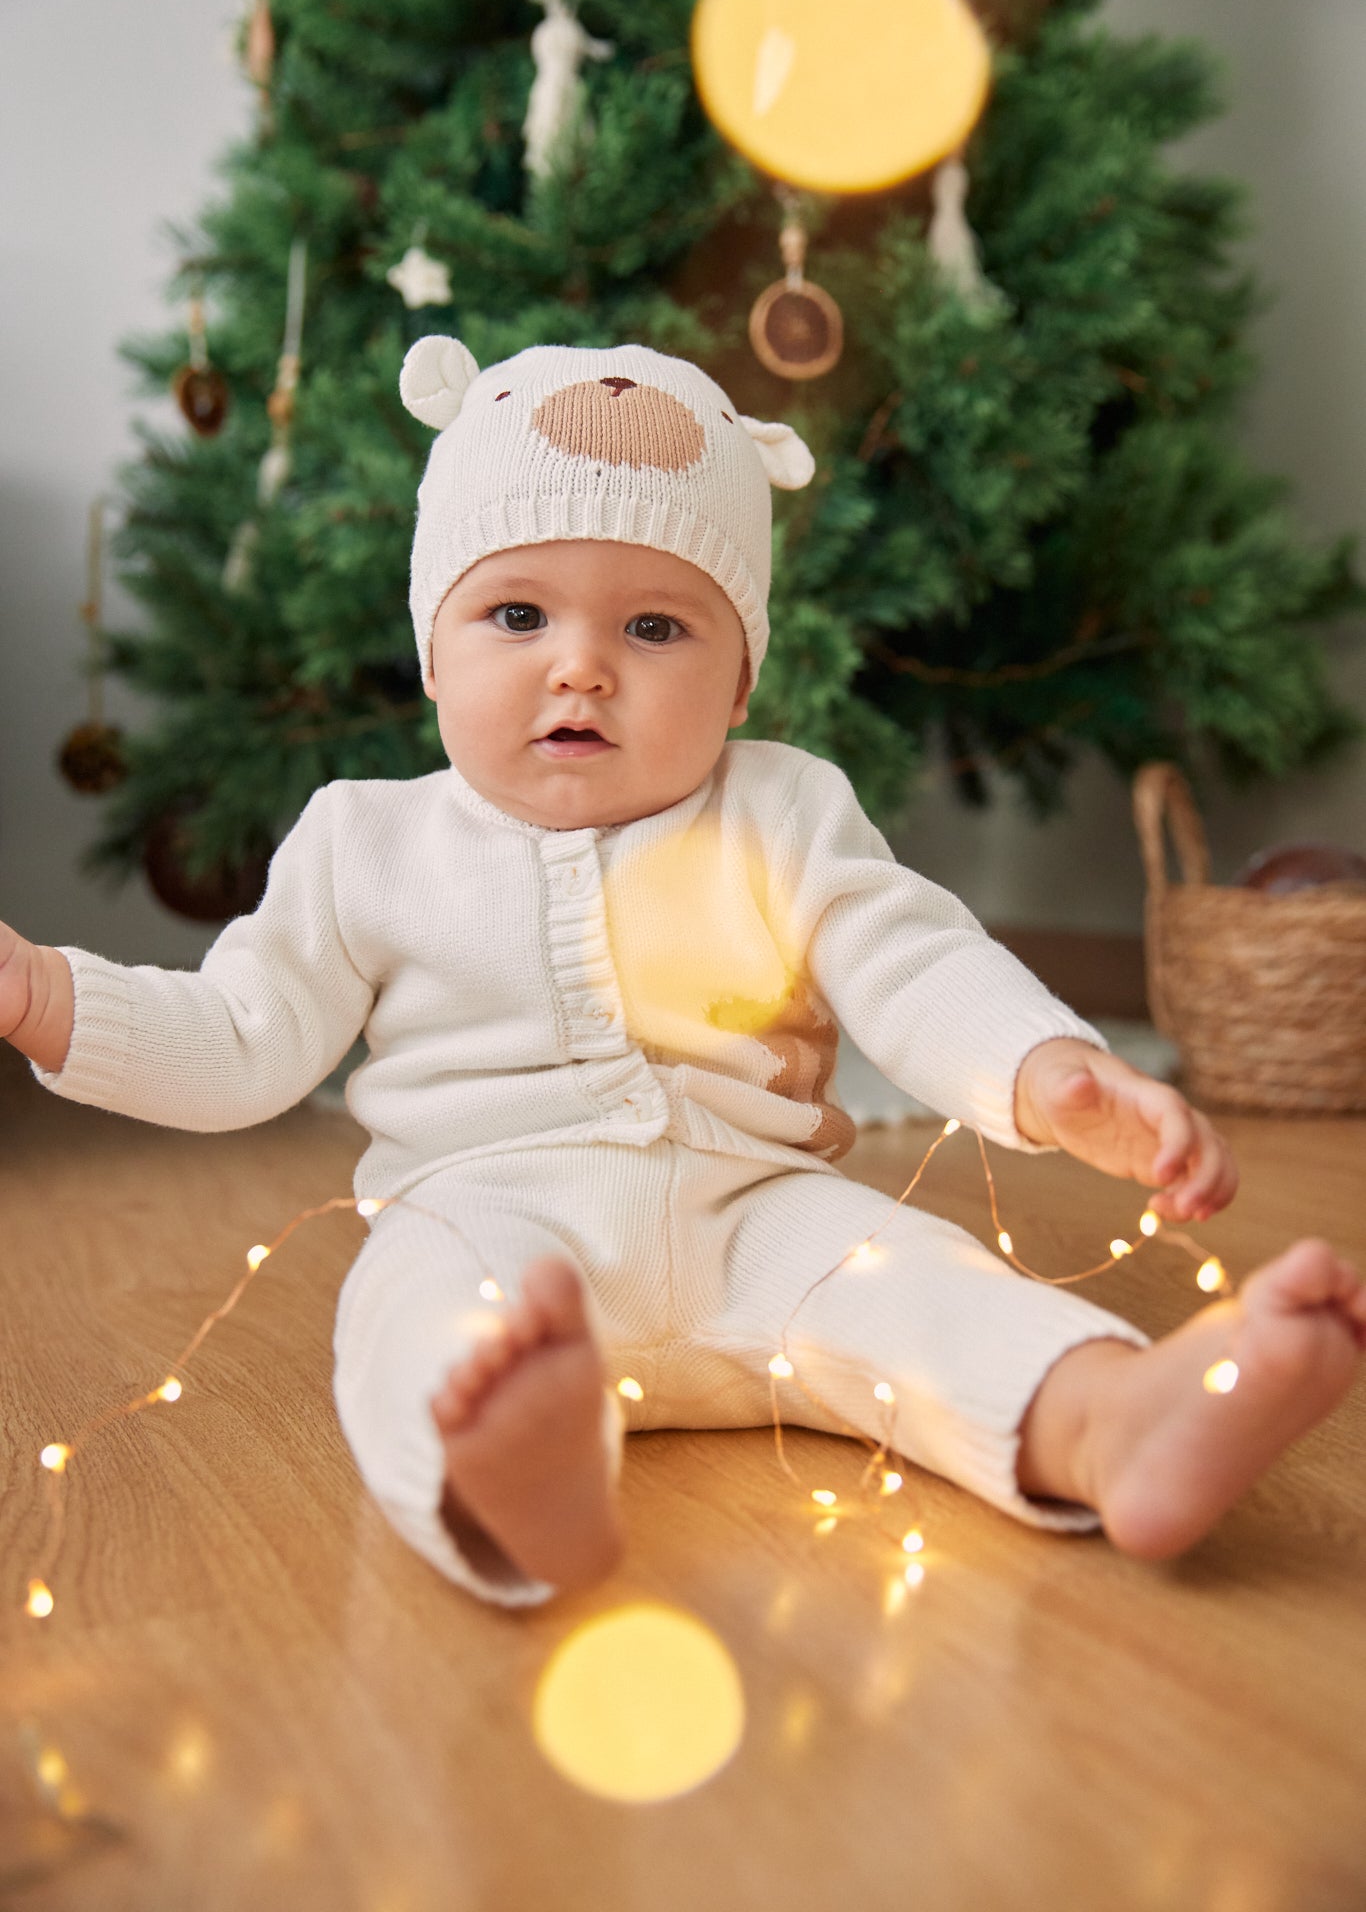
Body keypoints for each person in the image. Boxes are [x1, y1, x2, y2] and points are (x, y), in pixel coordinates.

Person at [4, 340, 1363, 1608]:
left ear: (738, 681)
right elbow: (242, 1037)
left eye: (655, 630)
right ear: (432, 650)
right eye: (518, 614)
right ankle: (516, 1475)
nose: (581, 667)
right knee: (417, 1322)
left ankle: (1110, 1424)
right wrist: (47, 998)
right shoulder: (368, 838)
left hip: (758, 1211)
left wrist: (1045, 1073)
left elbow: (909, 956)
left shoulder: (781, 810)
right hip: (491, 1217)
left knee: (926, 1288)